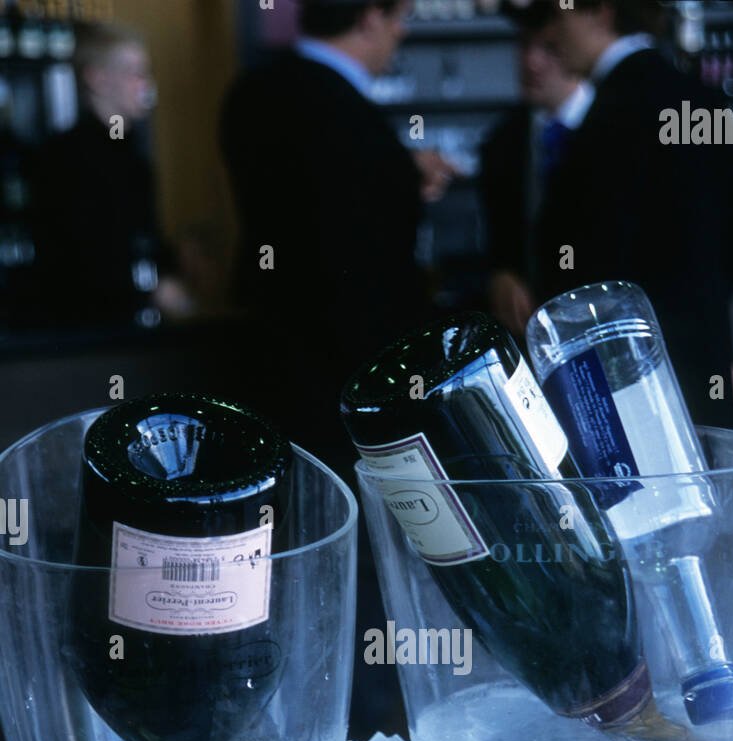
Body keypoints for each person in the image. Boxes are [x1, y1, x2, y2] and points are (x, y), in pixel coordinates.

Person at [219, 0, 456, 471]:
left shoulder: (249, 89)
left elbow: (302, 197)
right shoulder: (348, 114)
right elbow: (358, 255)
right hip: (348, 377)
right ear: (369, 18)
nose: (400, 33)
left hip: (265, 353)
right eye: (397, 19)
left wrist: (398, 172)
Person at [536, 0, 733, 427]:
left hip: (630, 374)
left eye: (560, 18)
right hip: (704, 352)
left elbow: (585, 266)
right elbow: (731, 241)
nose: (553, 36)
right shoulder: (702, 99)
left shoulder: (608, 116)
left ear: (602, 13)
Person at [28, 22, 189, 330]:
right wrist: (147, 292)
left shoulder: (132, 155)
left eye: (146, 72)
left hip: (131, 326)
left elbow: (142, 237)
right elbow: (79, 258)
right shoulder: (67, 157)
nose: (144, 84)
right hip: (85, 335)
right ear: (97, 78)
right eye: (133, 72)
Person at [480, 0, 593, 340]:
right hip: (528, 333)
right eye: (525, 45)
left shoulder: (613, 129)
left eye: (548, 48)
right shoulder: (502, 139)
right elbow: (499, 241)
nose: (531, 62)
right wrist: (501, 275)